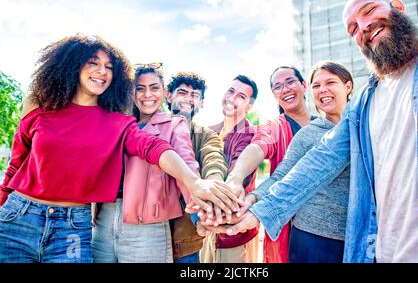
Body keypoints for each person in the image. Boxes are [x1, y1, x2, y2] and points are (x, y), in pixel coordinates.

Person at [215, 0, 418, 263]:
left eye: (370, 11)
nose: (363, 27)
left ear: (397, 7)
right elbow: (311, 163)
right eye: (352, 29)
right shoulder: (365, 103)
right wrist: (253, 201)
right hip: (376, 250)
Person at [0, 35, 239, 263]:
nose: (102, 71)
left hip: (74, 227)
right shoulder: (41, 107)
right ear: (73, 65)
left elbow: (159, 149)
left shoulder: (118, 123)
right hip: (20, 215)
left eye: (109, 67)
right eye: (93, 63)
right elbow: (15, 165)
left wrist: (196, 184)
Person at [238, 61, 353, 263]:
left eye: (330, 82)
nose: (323, 90)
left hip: (355, 235)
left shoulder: (363, 127)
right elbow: (280, 173)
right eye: (317, 85)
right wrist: (250, 195)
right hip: (312, 238)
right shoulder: (307, 133)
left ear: (348, 86)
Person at [91, 66, 199, 263]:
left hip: (149, 226)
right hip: (103, 220)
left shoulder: (174, 124)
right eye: (139, 88)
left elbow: (187, 165)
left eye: (154, 88)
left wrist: (200, 207)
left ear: (164, 92)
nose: (147, 94)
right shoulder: (116, 122)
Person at [222, 66, 315, 263]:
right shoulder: (274, 127)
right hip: (290, 227)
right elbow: (258, 147)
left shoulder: (325, 126)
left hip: (325, 226)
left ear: (304, 85)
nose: (285, 89)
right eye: (278, 87)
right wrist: (236, 178)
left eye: (290, 82)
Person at [166, 72, 228, 263]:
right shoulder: (152, 128)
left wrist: (214, 183)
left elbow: (213, 157)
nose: (188, 98)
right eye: (182, 92)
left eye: (194, 95)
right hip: (146, 235)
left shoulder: (205, 135)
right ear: (168, 96)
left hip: (186, 240)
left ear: (201, 103)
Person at [207, 75, 260, 263]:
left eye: (241, 96)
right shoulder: (210, 131)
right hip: (207, 231)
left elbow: (235, 175)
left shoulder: (250, 135)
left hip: (235, 234)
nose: (232, 98)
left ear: (249, 106)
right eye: (230, 91)